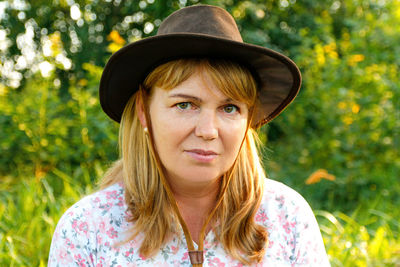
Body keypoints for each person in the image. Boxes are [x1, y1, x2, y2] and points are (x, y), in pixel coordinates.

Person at [48, 5, 330, 266]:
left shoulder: (288, 218)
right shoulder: (87, 230)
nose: (207, 131)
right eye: (185, 105)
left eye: (229, 108)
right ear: (144, 111)